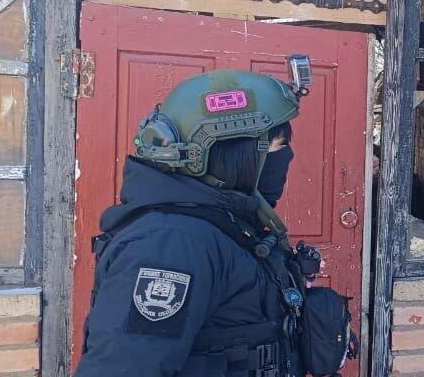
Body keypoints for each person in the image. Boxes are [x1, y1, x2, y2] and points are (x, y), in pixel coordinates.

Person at [76, 69, 306, 377]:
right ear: (229, 152)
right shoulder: (170, 245)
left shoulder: (222, 225)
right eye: (277, 146)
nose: (285, 158)